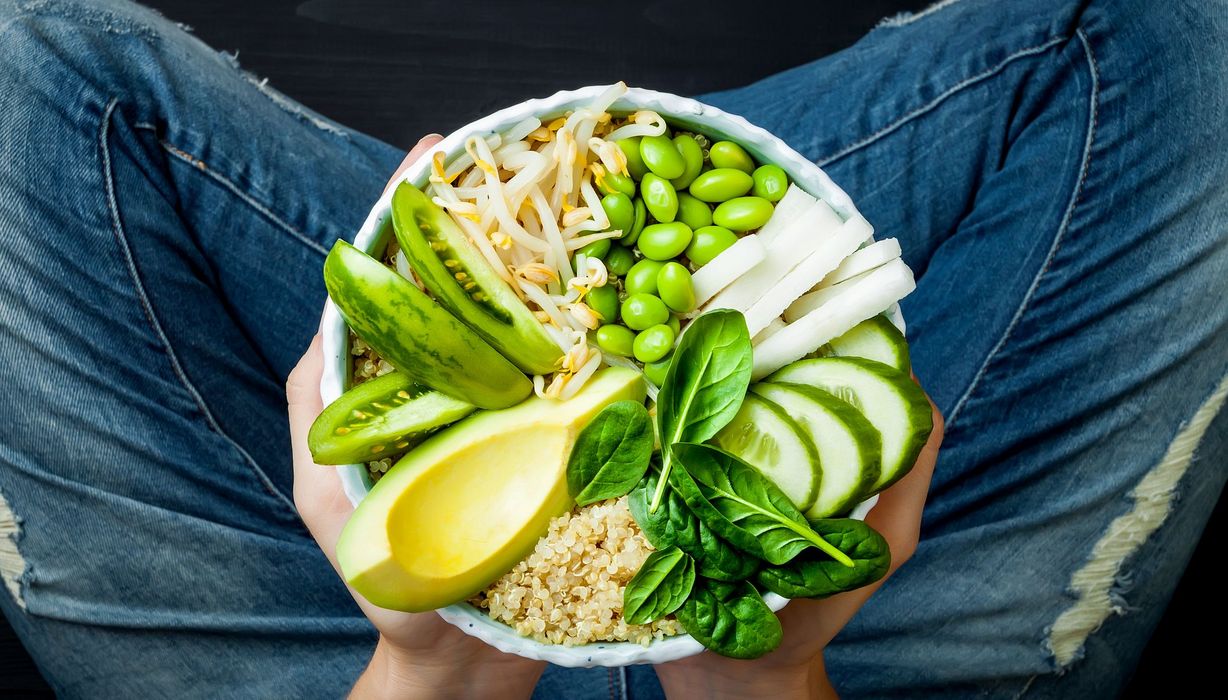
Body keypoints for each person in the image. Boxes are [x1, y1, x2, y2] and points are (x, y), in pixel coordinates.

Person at [0, 0, 1223, 697]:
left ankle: (459, 209)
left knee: (37, 76)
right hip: (846, 663)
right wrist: (762, 671)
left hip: (332, 668)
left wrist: (430, 664)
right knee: (1166, 47)